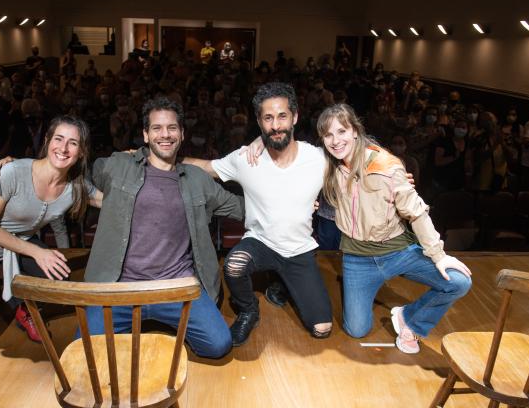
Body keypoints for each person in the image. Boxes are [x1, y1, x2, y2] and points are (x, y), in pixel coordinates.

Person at [83, 97, 244, 359]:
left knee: (218, 345)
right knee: (88, 353)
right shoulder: (117, 166)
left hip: (176, 285)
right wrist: (15, 167)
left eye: (172, 128)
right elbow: (74, 174)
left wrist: (293, 200)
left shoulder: (197, 180)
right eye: (156, 128)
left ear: (182, 133)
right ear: (145, 135)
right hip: (121, 288)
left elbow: (241, 208)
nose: (165, 135)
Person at [184, 82, 333, 345]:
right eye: (268, 118)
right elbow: (206, 167)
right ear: (259, 122)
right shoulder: (247, 159)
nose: (276, 125)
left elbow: (354, 158)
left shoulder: (318, 159)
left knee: (322, 329)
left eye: (282, 116)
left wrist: (393, 172)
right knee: (233, 265)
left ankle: (283, 283)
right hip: (261, 243)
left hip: (299, 250)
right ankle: (248, 310)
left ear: (295, 117)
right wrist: (161, 158)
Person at [317, 103, 472, 353]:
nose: (335, 141)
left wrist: (439, 256)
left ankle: (410, 320)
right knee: (356, 330)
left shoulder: (387, 166)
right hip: (358, 260)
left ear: (355, 131)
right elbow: (291, 160)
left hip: (399, 252)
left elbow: (417, 212)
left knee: (458, 281)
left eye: (342, 131)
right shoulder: (327, 165)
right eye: (328, 135)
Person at [0, 116, 101, 347]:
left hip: (17, 244)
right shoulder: (12, 172)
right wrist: (38, 252)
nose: (63, 148)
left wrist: (135, 160)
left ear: (81, 151)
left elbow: (112, 202)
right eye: (58, 139)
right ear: (47, 141)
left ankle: (20, 306)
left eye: (73, 142)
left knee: (58, 277)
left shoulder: (77, 185)